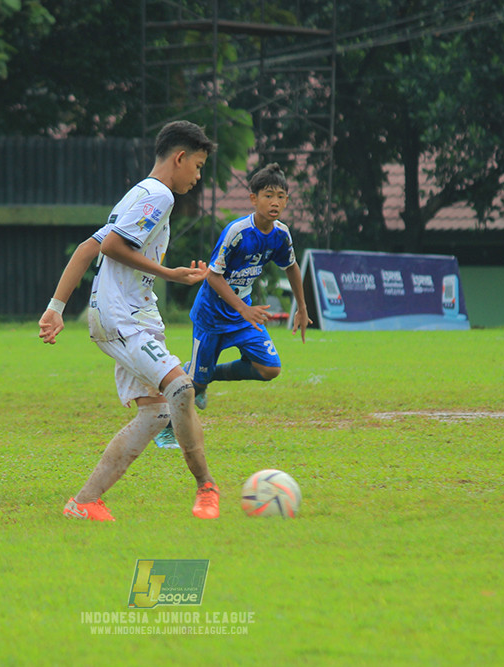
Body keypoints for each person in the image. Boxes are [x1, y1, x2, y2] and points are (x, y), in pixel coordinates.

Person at [39, 120, 219, 521]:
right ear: (180, 157)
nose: (198, 175)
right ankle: (207, 487)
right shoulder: (159, 195)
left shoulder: (139, 193)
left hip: (129, 315)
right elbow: (115, 246)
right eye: (199, 165)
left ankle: (84, 502)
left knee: (157, 412)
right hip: (122, 319)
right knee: (182, 389)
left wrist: (56, 306)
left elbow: (90, 247)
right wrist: (171, 273)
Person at [153, 162, 312, 447]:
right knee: (194, 386)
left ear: (287, 200)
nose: (274, 202)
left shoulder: (281, 235)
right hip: (212, 315)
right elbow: (213, 276)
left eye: (280, 196)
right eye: (268, 195)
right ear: (253, 198)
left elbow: (291, 266)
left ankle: (203, 372)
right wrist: (242, 308)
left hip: (242, 314)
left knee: (270, 368)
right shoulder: (237, 232)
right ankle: (167, 428)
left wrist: (302, 307)